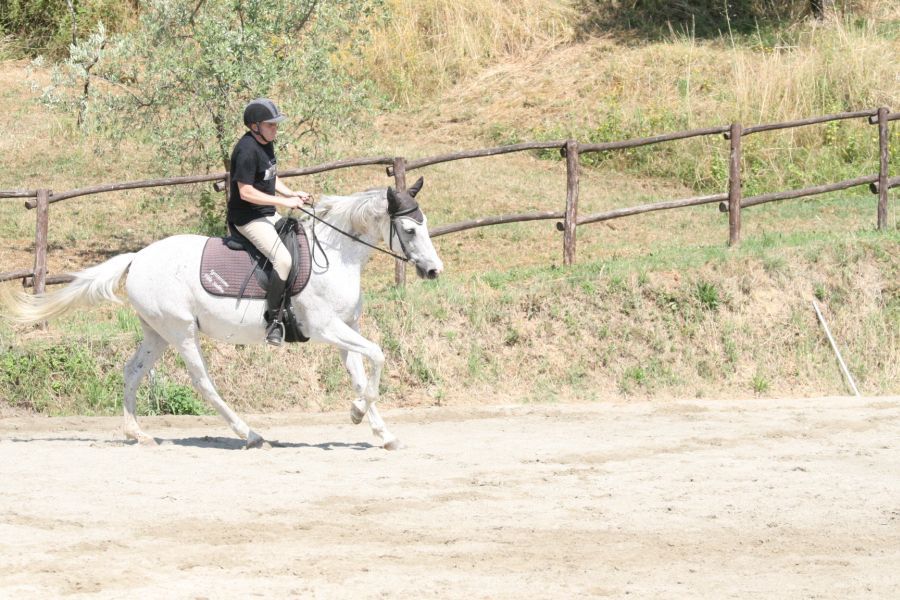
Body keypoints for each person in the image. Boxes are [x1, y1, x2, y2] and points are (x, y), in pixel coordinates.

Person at [228, 98, 311, 346]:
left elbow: (270, 179)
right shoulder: (245, 150)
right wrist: (285, 204)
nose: (275, 128)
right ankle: (273, 320)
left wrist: (292, 194)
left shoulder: (266, 144)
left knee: (298, 237)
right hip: (248, 218)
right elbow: (246, 192)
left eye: (276, 125)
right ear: (255, 126)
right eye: (270, 125)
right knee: (283, 260)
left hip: (265, 212)